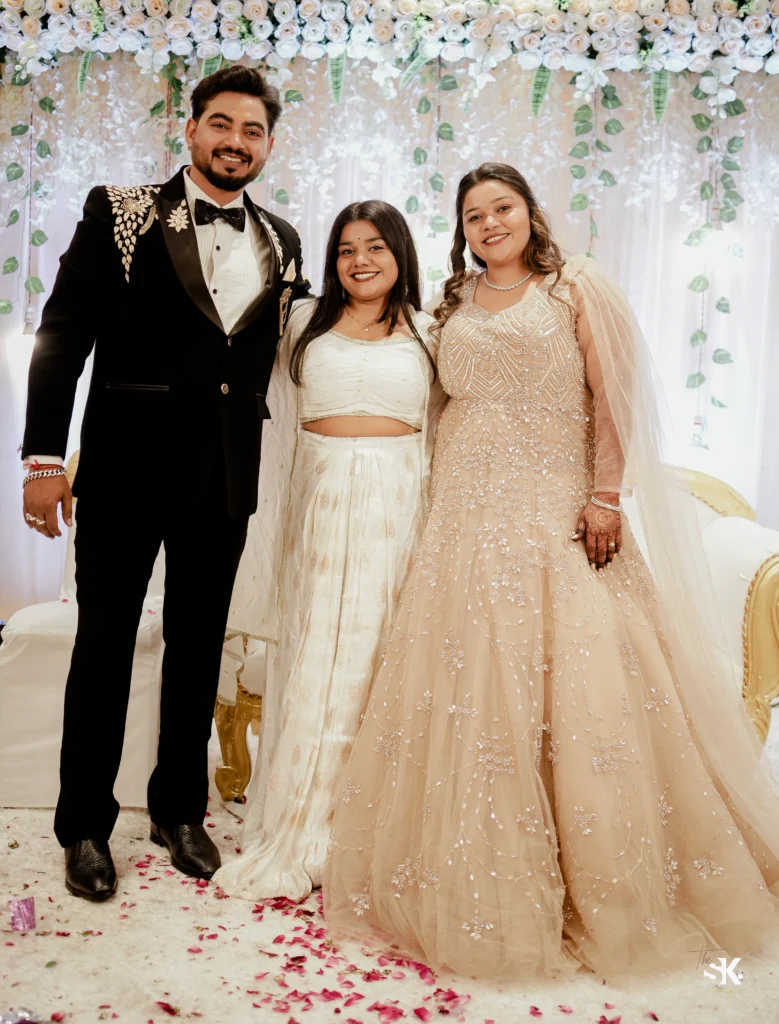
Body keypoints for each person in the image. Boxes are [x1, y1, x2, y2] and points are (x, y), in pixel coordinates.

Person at [323, 163, 779, 980]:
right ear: (461, 229)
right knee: (469, 687)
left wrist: (604, 495)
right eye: (473, 214)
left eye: (501, 207)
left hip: (554, 508)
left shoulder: (575, 286)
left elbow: (615, 396)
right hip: (464, 513)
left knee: (585, 684)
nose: (488, 224)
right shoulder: (453, 301)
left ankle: (603, 885)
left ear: (530, 213)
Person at [20, 65, 310, 901]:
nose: (235, 142)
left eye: (252, 131)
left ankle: (179, 811)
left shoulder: (283, 238)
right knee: (104, 648)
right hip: (124, 472)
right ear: (190, 130)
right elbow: (61, 336)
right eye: (221, 124)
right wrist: (45, 460)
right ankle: (84, 825)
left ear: (268, 145)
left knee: (197, 650)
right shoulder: (121, 211)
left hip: (223, 478)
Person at [213, 201, 447, 902]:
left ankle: (367, 830)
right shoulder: (301, 324)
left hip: (397, 508)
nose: (360, 261)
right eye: (346, 249)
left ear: (400, 255)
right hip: (319, 504)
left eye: (375, 247)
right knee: (317, 659)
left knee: (377, 660)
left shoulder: (432, 331)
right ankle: (301, 822)